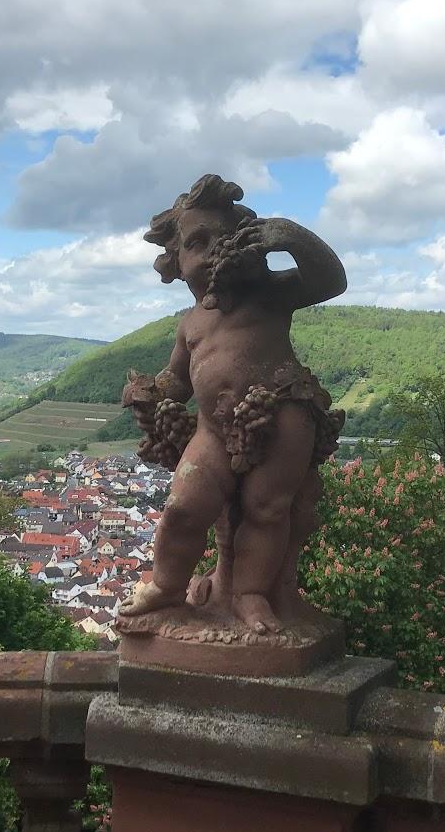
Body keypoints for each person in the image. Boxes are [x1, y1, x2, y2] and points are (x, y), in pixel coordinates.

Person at [119, 173, 346, 637]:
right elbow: (178, 380)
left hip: (283, 413)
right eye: (196, 243)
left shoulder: (269, 293)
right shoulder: (191, 324)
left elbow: (331, 281)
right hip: (213, 429)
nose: (212, 252)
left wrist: (290, 236)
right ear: (177, 262)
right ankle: (166, 585)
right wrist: (150, 392)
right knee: (184, 507)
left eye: (223, 239)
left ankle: (249, 593)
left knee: (268, 509)